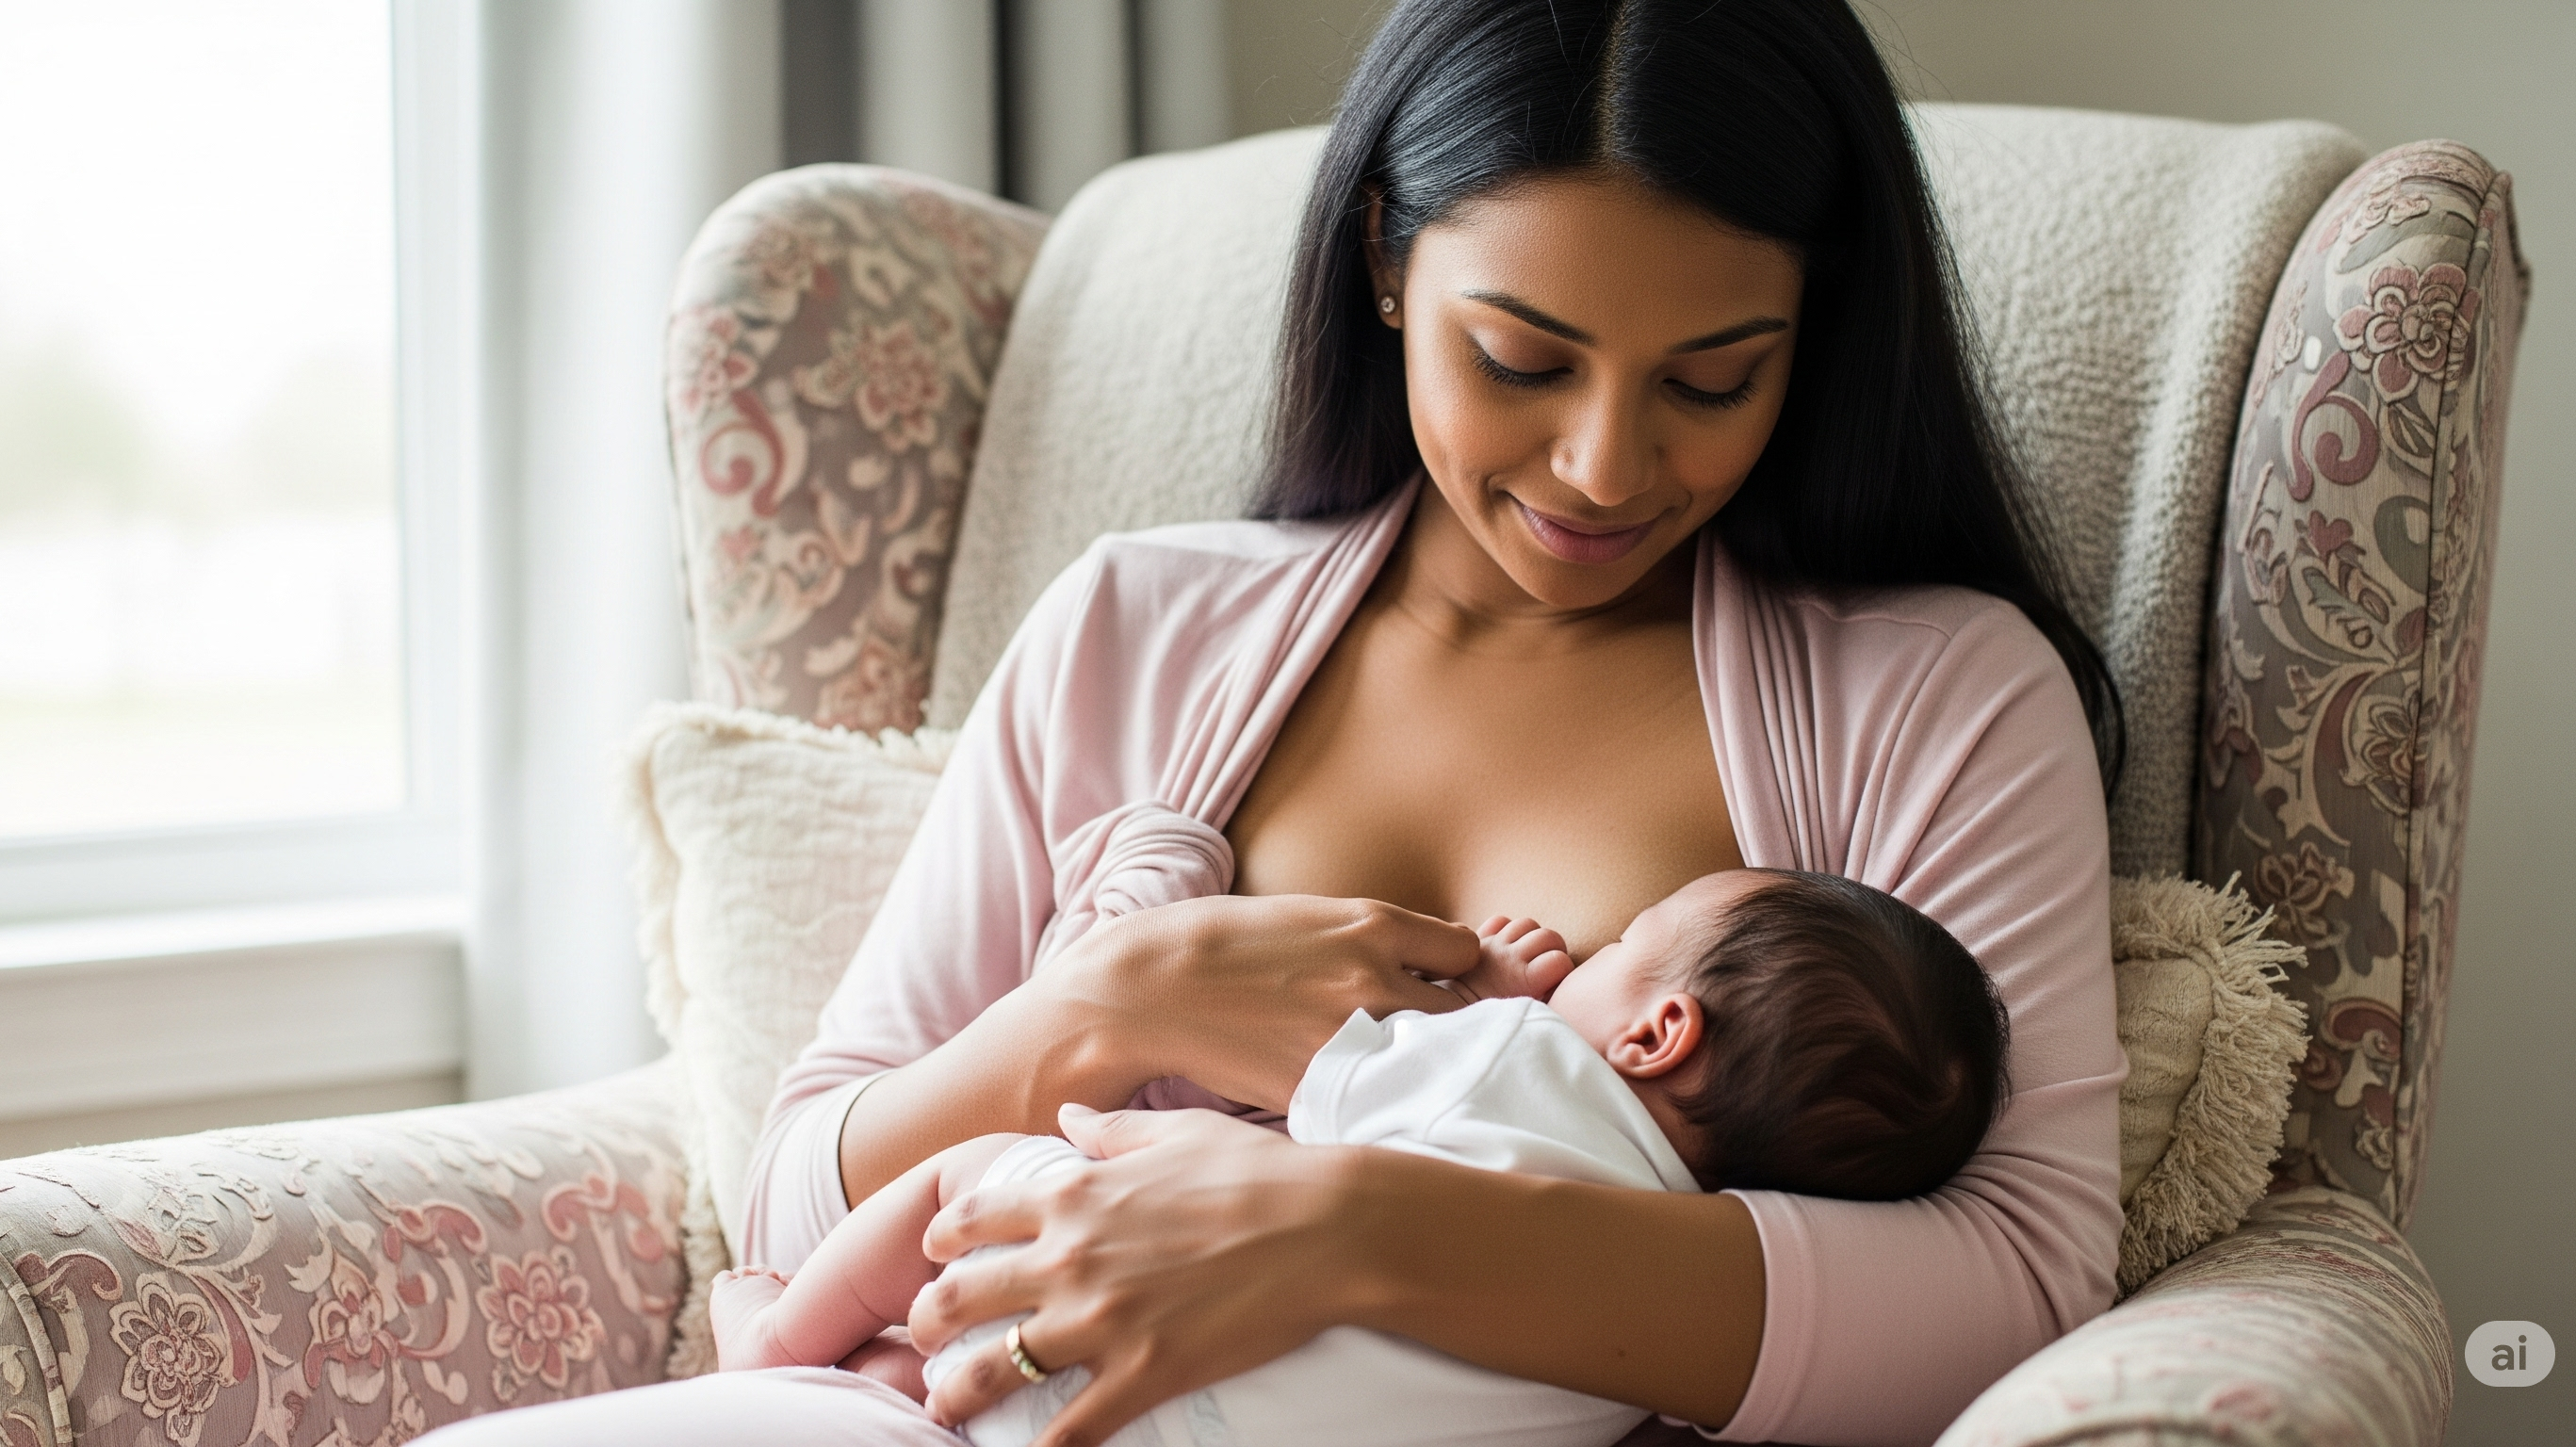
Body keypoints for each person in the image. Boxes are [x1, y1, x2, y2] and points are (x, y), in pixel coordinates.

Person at [420, 1, 2124, 1443]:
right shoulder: (1135, 627)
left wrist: (1353, 1225)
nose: (1608, 465)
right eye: (1522, 360)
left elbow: (2019, 1278)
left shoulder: (1934, 698)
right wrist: (1108, 1002)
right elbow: (793, 1189)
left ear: (1808, 339)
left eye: (1709, 378)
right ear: (1387, 262)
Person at [705, 870, 2012, 1447]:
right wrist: (1101, 995)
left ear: (1656, 1031)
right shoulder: (1651, 1355)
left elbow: (1326, 1066)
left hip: (1090, 1332)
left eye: (1624, 941)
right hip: (1194, 1423)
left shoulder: (1517, 1058)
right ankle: (879, 1374)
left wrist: (1493, 988)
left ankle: (777, 1341)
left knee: (963, 1180)